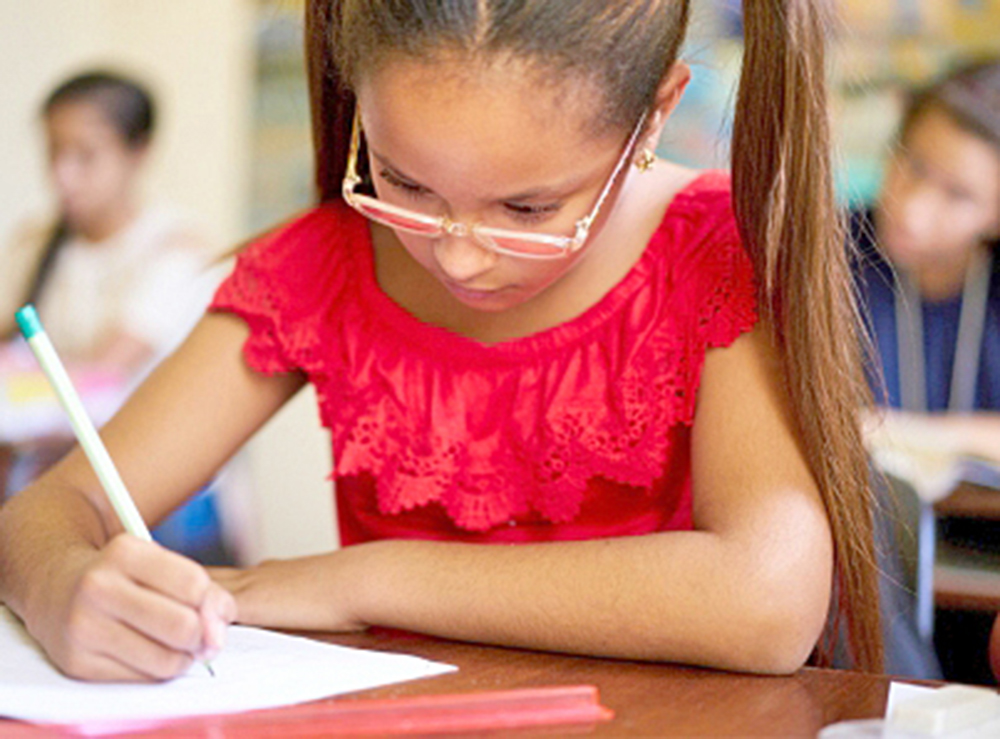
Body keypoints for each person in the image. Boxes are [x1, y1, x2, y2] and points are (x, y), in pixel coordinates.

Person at [0, 0, 883, 682]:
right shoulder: (323, 266)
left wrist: (357, 581)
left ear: (653, 117)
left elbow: (766, 601)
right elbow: (43, 514)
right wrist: (62, 587)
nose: (458, 252)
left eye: (530, 209)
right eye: (404, 181)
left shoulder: (712, 252)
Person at [0, 71, 227, 559]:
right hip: (43, 485)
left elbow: (102, 373)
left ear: (137, 152)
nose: (64, 174)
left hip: (150, 495)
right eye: (53, 152)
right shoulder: (33, 245)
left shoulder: (178, 251)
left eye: (85, 155)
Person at [853, 59, 1000, 681]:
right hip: (868, 571)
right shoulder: (823, 256)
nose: (912, 207)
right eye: (911, 164)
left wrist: (909, 431)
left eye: (957, 195)